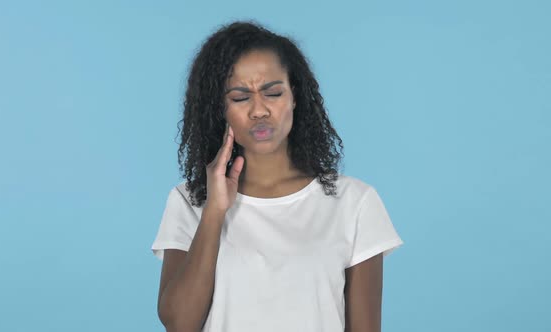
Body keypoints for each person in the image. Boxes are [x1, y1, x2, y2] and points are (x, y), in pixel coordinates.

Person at [150, 20, 404, 332]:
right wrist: (215, 211)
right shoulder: (189, 202)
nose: (259, 110)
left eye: (273, 92)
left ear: (294, 96)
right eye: (240, 97)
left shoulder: (355, 203)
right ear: (221, 109)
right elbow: (179, 323)